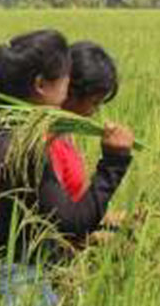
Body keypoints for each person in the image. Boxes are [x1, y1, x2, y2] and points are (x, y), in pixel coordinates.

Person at [0, 30, 135, 306]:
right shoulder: (24, 147)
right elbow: (72, 224)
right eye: (66, 79)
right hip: (18, 283)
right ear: (41, 85)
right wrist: (113, 163)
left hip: (4, 275)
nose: (68, 90)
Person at [48, 41, 121, 202]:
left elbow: (79, 202)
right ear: (70, 93)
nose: (95, 111)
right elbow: (58, 213)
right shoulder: (47, 143)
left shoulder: (64, 134)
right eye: (94, 103)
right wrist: (115, 161)